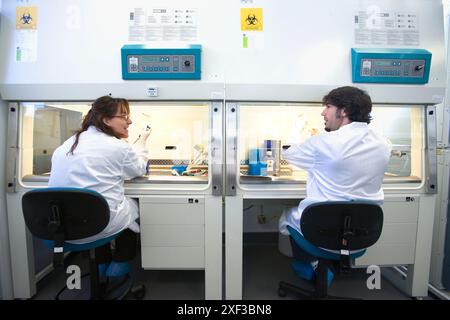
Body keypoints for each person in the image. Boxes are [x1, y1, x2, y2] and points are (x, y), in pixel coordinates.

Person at [278, 86, 391, 283]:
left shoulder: (324, 142)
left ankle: (305, 263)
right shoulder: (383, 143)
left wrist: (299, 131)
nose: (323, 112)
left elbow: (289, 153)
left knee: (287, 215)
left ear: (344, 110)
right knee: (327, 219)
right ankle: (325, 265)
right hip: (362, 234)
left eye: (328, 106)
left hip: (321, 233)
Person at [48, 95, 150, 278]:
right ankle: (120, 263)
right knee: (131, 205)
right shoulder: (118, 147)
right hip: (97, 225)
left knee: (95, 212)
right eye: (124, 116)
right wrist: (142, 143)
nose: (130, 121)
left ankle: (101, 264)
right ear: (106, 120)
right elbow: (138, 170)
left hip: (62, 228)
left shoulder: (66, 145)